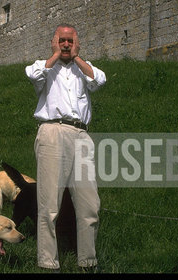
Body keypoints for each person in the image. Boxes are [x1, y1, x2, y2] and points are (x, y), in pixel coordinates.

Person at [25, 23, 106, 272]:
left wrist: (77, 58)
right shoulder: (45, 68)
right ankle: (48, 263)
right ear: (54, 43)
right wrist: (56, 56)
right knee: (49, 205)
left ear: (78, 44)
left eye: (71, 41)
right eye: (62, 40)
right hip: (53, 131)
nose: (66, 44)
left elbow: (98, 80)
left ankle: (87, 262)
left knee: (90, 205)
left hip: (81, 134)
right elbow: (32, 74)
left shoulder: (84, 69)